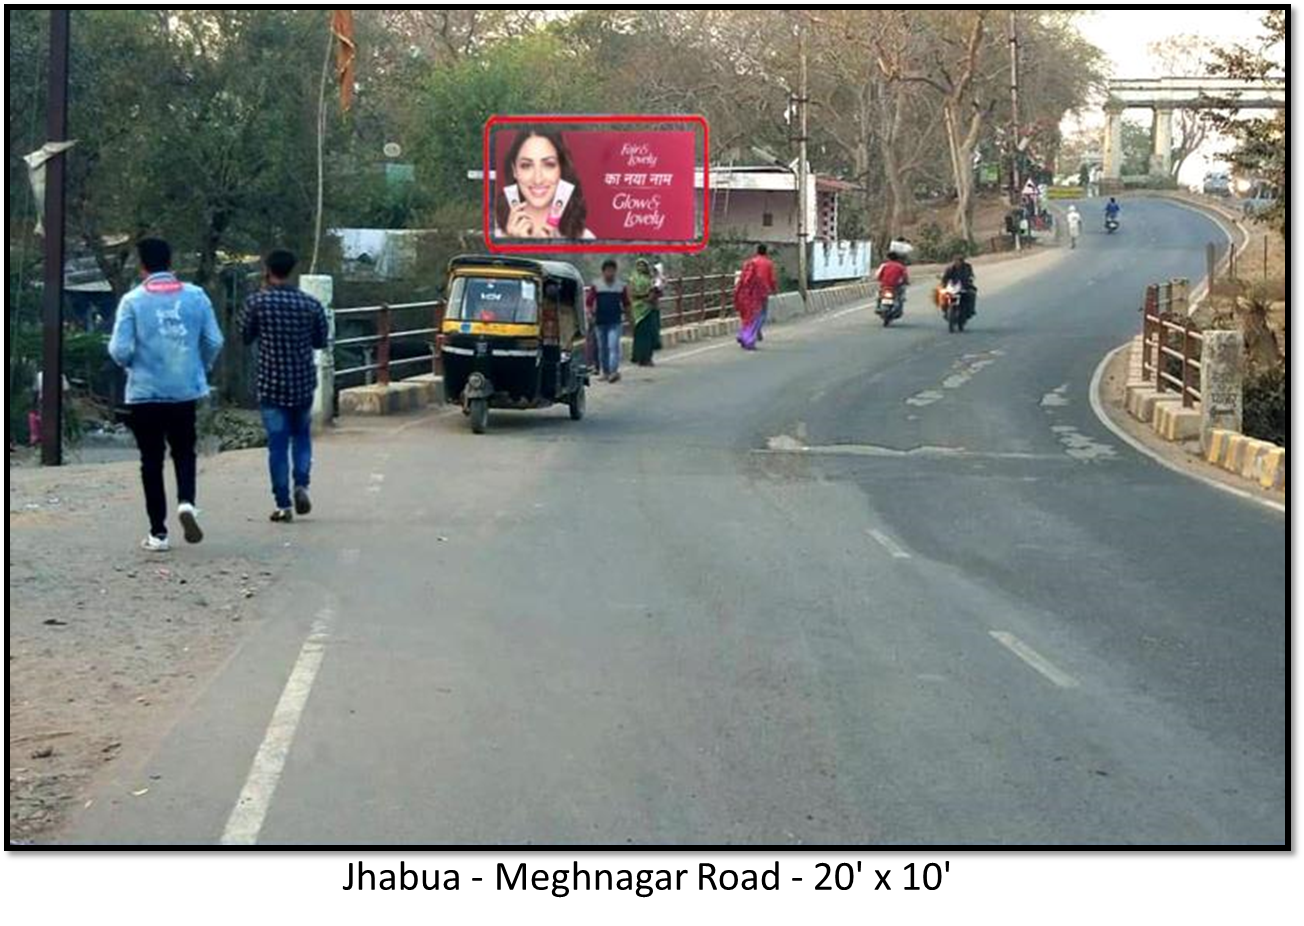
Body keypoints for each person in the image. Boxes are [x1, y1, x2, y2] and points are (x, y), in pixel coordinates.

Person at [108, 237, 224, 552]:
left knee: (151, 460)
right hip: (184, 391)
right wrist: (198, 365)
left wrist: (133, 363)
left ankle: (158, 533)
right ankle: (186, 502)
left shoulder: (132, 301)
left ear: (142, 265)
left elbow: (120, 350)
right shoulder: (196, 297)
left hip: (145, 393)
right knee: (184, 451)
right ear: (170, 262)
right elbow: (214, 340)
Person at [242, 249, 329, 523]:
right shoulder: (311, 304)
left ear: (268, 270)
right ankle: (301, 484)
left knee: (277, 445)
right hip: (302, 382)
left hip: (271, 384)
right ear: (292, 271)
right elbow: (320, 341)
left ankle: (283, 504)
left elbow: (244, 335)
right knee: (301, 437)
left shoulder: (257, 302)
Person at [493, 128, 596, 240]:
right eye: (526, 165)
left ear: (561, 169)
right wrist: (512, 242)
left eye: (549, 164)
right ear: (514, 171)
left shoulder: (584, 238)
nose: (538, 179)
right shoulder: (493, 233)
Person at [586, 259, 631, 382]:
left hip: (615, 321)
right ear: (603, 271)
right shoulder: (597, 285)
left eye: (612, 271)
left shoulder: (620, 286)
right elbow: (589, 302)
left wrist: (630, 319)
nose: (610, 273)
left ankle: (613, 372)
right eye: (608, 271)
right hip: (600, 321)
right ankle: (605, 372)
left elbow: (626, 303)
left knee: (613, 346)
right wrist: (589, 314)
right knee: (602, 348)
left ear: (615, 271)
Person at [734, 243, 778, 350]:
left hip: (748, 293)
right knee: (760, 315)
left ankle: (743, 334)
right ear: (766, 252)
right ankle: (748, 338)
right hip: (762, 292)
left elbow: (743, 278)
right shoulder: (768, 264)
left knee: (749, 315)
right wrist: (774, 290)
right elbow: (772, 279)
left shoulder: (749, 262)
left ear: (756, 251)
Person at [629, 258, 659, 367]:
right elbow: (631, 293)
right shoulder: (633, 279)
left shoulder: (650, 278)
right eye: (639, 265)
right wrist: (645, 296)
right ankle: (640, 357)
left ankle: (647, 358)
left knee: (649, 334)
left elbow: (655, 290)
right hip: (638, 309)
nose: (641, 267)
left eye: (643, 265)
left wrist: (653, 294)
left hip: (649, 308)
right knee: (640, 335)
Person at [940, 253, 977, 322]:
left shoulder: (967, 267)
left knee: (972, 294)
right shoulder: (950, 268)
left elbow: (971, 275)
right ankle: (945, 310)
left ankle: (971, 310)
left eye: (959, 261)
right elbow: (945, 278)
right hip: (953, 287)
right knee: (942, 295)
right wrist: (943, 284)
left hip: (965, 286)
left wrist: (970, 279)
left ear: (962, 261)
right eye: (956, 261)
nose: (957, 263)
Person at [875, 247, 911, 315]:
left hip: (884, 285)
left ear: (888, 258)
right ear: (897, 259)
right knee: (901, 295)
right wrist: (906, 282)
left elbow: (878, 275)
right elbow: (905, 276)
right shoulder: (901, 266)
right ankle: (899, 307)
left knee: (879, 295)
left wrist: (880, 280)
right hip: (896, 286)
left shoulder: (884, 265)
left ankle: (878, 306)